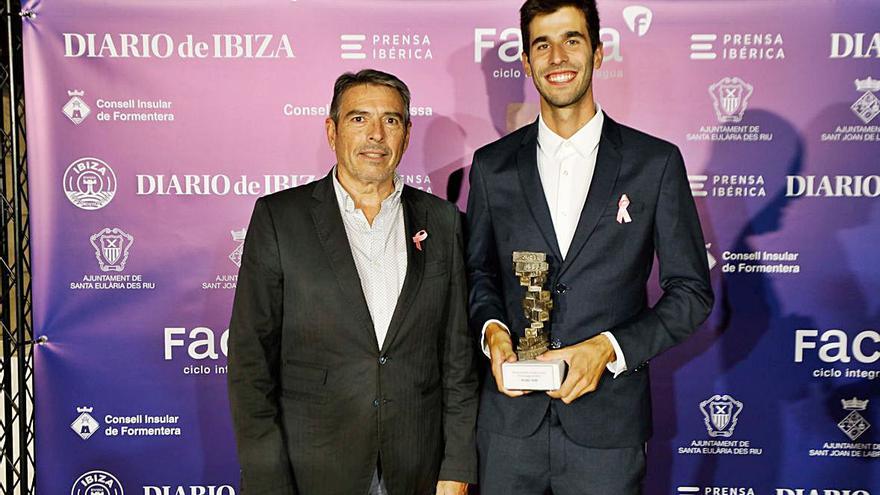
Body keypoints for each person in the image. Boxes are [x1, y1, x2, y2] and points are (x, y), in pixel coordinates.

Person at [466, 1, 714, 493]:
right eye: (542, 44)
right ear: (526, 61)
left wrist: (608, 349)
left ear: (598, 54)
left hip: (607, 427)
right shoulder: (491, 167)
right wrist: (492, 331)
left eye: (572, 40)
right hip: (509, 428)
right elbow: (479, 274)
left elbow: (691, 292)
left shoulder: (655, 163)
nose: (557, 57)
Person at [228, 69, 477, 495]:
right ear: (332, 129)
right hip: (312, 471)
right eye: (359, 119)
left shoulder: (443, 221)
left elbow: (458, 359)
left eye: (391, 120)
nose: (376, 135)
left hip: (417, 469)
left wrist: (456, 468)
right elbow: (250, 362)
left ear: (406, 133)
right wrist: (268, 481)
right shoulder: (279, 219)